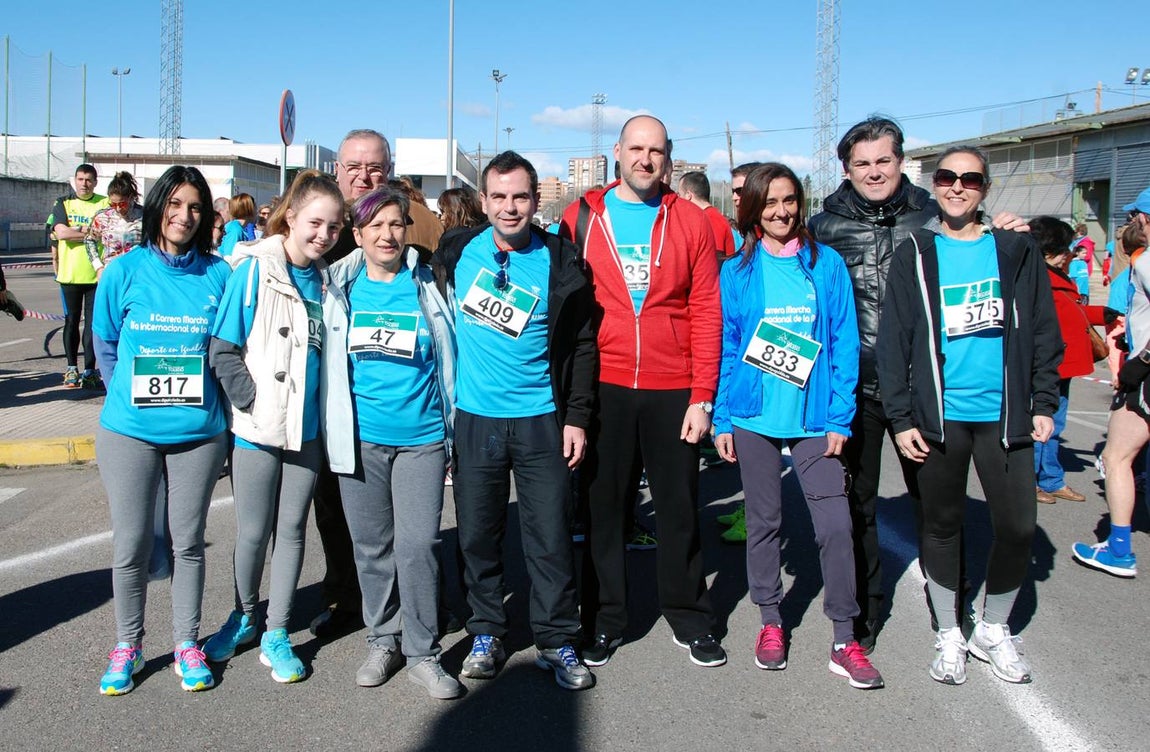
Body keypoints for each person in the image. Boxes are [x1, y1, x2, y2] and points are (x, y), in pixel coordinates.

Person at [807, 116, 1026, 652]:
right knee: (857, 506)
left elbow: (988, 261)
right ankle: (863, 613)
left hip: (923, 390)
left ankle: (948, 610)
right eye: (862, 163)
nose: (874, 171)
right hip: (852, 389)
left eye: (884, 160)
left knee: (936, 506)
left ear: (901, 162)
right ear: (846, 168)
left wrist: (1012, 231)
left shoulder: (935, 217)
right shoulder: (823, 226)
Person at [877, 146, 1060, 686]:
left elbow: (1045, 327)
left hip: (1005, 415)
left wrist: (1045, 399)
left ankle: (992, 626)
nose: (956, 186)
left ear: (986, 187)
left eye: (970, 179)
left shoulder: (1015, 249)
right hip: (941, 417)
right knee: (942, 525)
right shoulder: (917, 251)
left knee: (1019, 525)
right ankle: (949, 632)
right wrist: (902, 416)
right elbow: (895, 341)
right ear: (933, 185)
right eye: (946, 177)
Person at [560, 115, 725, 669]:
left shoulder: (692, 222)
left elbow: (706, 311)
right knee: (604, 511)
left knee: (679, 508)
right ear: (617, 152)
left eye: (656, 150)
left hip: (673, 386)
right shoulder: (580, 216)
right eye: (636, 148)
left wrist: (703, 397)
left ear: (669, 157)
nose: (645, 160)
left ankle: (689, 614)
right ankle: (604, 620)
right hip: (604, 383)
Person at [713, 163, 881, 689]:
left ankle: (844, 637)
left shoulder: (824, 264)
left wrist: (839, 416)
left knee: (834, 526)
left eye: (789, 201)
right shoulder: (736, 270)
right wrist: (721, 416)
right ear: (753, 210)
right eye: (770, 204)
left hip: (814, 419)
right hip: (753, 415)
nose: (782, 212)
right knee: (763, 523)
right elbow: (727, 346)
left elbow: (844, 341)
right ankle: (769, 621)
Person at [434, 150, 597, 691]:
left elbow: (581, 343)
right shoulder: (456, 251)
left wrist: (576, 417)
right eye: (499, 197)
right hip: (476, 419)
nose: (510, 207)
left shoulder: (562, 260)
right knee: (478, 535)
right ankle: (487, 632)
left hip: (541, 420)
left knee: (549, 537)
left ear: (535, 200)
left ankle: (556, 640)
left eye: (520, 197)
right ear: (483, 202)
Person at [90, 165, 232, 695]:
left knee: (188, 543)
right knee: (130, 544)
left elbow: (227, 352)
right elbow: (104, 343)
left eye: (194, 207)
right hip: (130, 431)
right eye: (174, 205)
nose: (184, 216)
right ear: (157, 207)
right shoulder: (122, 272)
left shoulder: (219, 274)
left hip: (199, 433)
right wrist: (123, 395)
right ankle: (127, 643)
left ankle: (187, 643)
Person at [200, 170, 344, 683]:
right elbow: (223, 349)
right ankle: (243, 616)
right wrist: (254, 402)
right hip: (259, 430)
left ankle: (277, 631)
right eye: (314, 222)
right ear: (291, 216)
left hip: (307, 435)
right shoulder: (255, 270)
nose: (323, 234)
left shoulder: (330, 282)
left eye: (332, 225)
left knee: (292, 532)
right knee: (253, 533)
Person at [322, 186, 462, 699]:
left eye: (396, 225)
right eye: (375, 226)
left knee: (418, 544)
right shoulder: (337, 286)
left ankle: (423, 651)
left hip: (423, 438)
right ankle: (384, 637)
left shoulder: (428, 285)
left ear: (408, 229)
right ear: (357, 235)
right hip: (360, 441)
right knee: (372, 547)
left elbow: (453, 358)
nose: (388, 234)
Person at [307, 128, 393, 640]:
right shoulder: (320, 228)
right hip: (322, 400)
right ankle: (343, 596)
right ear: (338, 170)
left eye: (375, 167)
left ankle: (404, 598)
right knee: (331, 508)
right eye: (354, 167)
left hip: (385, 403)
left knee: (391, 515)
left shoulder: (408, 226)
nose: (364, 176)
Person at [1073, 187, 1150, 578]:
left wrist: (1144, 359)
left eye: (1138, 215)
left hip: (1146, 378)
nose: (1133, 221)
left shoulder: (1147, 261)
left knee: (1116, 458)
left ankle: (1119, 548)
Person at [1030, 216, 1113, 504]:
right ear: (1045, 250)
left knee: (1055, 426)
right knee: (1041, 427)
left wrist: (1103, 314)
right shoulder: (1036, 279)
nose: (1068, 253)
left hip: (1062, 364)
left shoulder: (1058, 277)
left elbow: (1073, 312)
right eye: (1062, 248)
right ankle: (1032, 482)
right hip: (1046, 365)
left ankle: (1051, 479)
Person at [48, 163, 108, 388]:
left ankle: (90, 370)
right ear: (74, 180)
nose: (84, 184)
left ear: (95, 182)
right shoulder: (63, 202)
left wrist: (77, 233)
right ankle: (71, 368)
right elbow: (61, 232)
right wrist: (88, 233)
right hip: (70, 275)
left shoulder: (103, 203)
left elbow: (106, 232)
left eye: (89, 180)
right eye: (80, 179)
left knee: (93, 325)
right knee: (71, 322)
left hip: (95, 275)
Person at [85, 171, 144, 279]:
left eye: (122, 204)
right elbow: (89, 240)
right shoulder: (102, 217)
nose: (118, 208)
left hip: (138, 275)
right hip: (110, 273)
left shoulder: (146, 216)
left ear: (131, 197)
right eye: (113, 204)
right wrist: (98, 267)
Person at [677, 170, 736, 261]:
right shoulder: (708, 217)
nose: (678, 200)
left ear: (688, 195)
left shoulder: (710, 220)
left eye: (679, 195)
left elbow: (714, 259)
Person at [218, 193, 256, 258]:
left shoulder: (240, 228)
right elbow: (228, 257)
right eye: (255, 207)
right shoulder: (235, 229)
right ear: (249, 209)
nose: (256, 212)